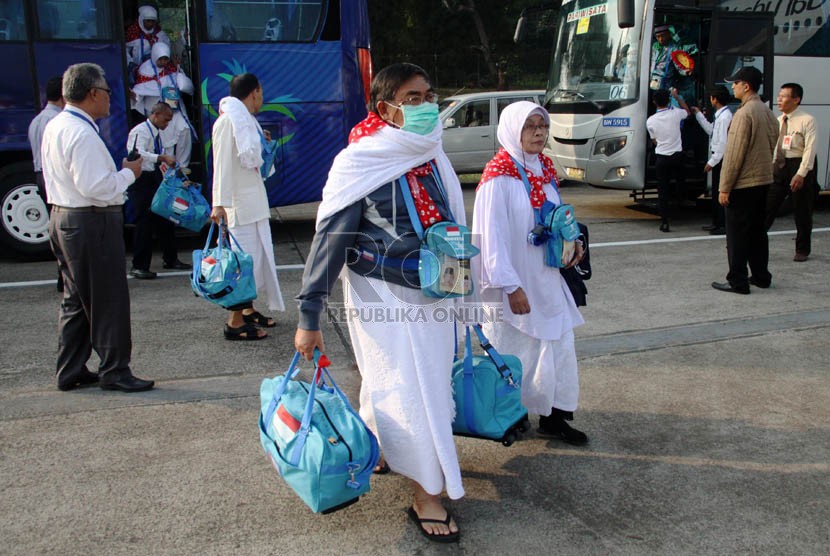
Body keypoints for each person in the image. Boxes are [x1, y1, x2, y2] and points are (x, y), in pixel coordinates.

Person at [295, 63, 464, 543]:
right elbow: (331, 239)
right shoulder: (361, 160)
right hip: (387, 300)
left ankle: (389, 448)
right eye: (413, 98)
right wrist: (310, 315)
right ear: (384, 106)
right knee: (411, 388)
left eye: (430, 95)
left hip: (436, 292)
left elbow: (451, 222)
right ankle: (427, 491)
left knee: (416, 383)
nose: (427, 105)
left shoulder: (430, 152)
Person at [472, 101, 588, 448]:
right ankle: (512, 416)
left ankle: (555, 417)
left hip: (549, 279)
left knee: (558, 347)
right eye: (530, 126)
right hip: (517, 285)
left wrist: (573, 243)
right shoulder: (498, 178)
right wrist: (511, 286)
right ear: (511, 129)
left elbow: (557, 217)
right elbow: (489, 239)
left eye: (542, 125)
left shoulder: (545, 170)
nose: (538, 132)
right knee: (517, 352)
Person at [41, 63, 154, 393]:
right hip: (90, 220)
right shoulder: (81, 132)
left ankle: (71, 368)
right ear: (92, 93)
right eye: (106, 91)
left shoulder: (57, 124)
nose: (109, 98)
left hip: (63, 216)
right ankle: (115, 369)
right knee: (108, 300)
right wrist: (130, 173)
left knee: (76, 299)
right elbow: (97, 187)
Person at [210, 73, 285, 341]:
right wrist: (219, 204)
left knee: (257, 260)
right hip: (238, 206)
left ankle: (248, 309)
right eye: (261, 93)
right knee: (243, 265)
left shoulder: (246, 122)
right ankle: (234, 322)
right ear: (255, 91)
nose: (262, 99)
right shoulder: (228, 121)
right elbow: (221, 165)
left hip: (253, 202)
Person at [712, 67, 778, 295]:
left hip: (743, 183)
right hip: (763, 180)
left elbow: (734, 154)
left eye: (735, 83)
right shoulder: (766, 111)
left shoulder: (743, 114)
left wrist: (724, 187)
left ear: (746, 86)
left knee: (737, 235)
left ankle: (737, 280)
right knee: (758, 232)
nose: (733, 86)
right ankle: (761, 276)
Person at [126, 102, 190, 279]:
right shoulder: (140, 131)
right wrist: (160, 157)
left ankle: (171, 258)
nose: (167, 124)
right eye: (166, 119)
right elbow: (136, 153)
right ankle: (139, 265)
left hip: (154, 176)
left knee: (165, 218)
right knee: (144, 222)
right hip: (142, 179)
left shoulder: (156, 133)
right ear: (156, 115)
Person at [766, 83, 819, 262]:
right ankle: (755, 239)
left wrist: (801, 174)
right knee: (768, 205)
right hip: (779, 166)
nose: (779, 99)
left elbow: (810, 150)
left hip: (798, 165)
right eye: (779, 95)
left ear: (796, 99)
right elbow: (774, 147)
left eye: (784, 96)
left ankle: (802, 249)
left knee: (802, 210)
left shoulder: (807, 120)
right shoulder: (779, 120)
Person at [28, 76, 65, 292]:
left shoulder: (38, 120)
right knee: (65, 228)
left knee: (57, 228)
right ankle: (65, 276)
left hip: (40, 174)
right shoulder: (57, 121)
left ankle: (62, 273)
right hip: (53, 176)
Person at [132, 41, 195, 167]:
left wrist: (179, 73)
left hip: (174, 111)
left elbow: (185, 86)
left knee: (185, 130)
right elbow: (140, 91)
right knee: (166, 142)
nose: (163, 62)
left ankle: (182, 166)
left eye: (166, 59)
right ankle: (168, 170)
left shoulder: (172, 68)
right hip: (159, 113)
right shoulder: (145, 70)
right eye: (161, 59)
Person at [646, 87, 690, 232]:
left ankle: (665, 221)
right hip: (677, 156)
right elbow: (687, 111)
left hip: (662, 157)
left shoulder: (650, 121)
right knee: (679, 184)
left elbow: (654, 141)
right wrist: (677, 97)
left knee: (662, 190)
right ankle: (680, 209)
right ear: (669, 100)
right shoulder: (676, 113)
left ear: (654, 102)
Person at [692, 85, 733, 235]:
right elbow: (710, 130)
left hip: (720, 158)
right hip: (718, 157)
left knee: (720, 192)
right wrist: (698, 115)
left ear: (715, 99)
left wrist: (711, 162)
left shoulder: (724, 117)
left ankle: (722, 224)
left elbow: (723, 143)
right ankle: (716, 222)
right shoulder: (721, 116)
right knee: (716, 193)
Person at [649, 24, 697, 104]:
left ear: (668, 34)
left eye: (662, 36)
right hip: (651, 83)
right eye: (658, 37)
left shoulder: (674, 49)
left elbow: (679, 64)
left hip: (664, 86)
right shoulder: (653, 47)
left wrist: (686, 71)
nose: (660, 39)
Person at [125, 4, 170, 78]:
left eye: (153, 21)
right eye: (148, 21)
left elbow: (167, 51)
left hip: (159, 70)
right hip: (137, 71)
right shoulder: (132, 33)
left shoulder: (160, 35)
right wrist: (131, 63)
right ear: (141, 19)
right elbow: (125, 51)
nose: (151, 24)